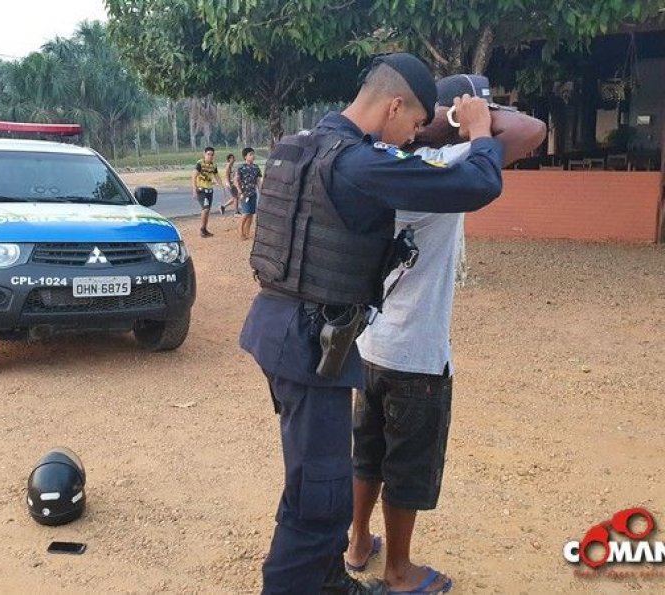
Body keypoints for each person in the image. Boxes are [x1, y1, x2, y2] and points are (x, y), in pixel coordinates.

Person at [240, 53, 507, 595]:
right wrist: (479, 131)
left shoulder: (301, 144)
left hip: (280, 329)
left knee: (320, 479)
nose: (411, 137)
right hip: (309, 343)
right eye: (411, 124)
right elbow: (478, 185)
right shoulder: (359, 164)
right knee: (321, 493)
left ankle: (327, 577)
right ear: (393, 105)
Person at [345, 75, 547, 594]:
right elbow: (532, 131)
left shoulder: (381, 166)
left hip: (368, 344)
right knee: (407, 464)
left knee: (366, 452)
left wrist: (450, 119)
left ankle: (357, 542)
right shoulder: (446, 171)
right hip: (418, 355)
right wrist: (473, 121)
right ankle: (398, 571)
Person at [191, 146, 226, 237]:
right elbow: (194, 176)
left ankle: (205, 229)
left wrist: (222, 186)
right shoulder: (200, 163)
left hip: (209, 190)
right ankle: (202, 229)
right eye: (208, 154)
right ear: (204, 154)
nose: (210, 156)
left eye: (212, 155)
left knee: (207, 210)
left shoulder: (213, 165)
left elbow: (216, 176)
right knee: (205, 208)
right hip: (201, 190)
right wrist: (194, 189)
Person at [234, 147, 262, 240]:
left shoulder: (256, 167)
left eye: (253, 154)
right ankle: (241, 232)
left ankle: (247, 232)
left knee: (251, 214)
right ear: (245, 157)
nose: (253, 156)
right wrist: (240, 192)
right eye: (250, 154)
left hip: (253, 193)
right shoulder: (241, 168)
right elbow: (236, 181)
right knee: (245, 213)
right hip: (244, 194)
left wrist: (260, 191)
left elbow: (258, 181)